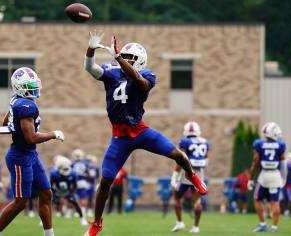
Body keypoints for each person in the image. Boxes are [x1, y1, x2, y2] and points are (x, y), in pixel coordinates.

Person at [83, 30, 207, 236]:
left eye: (130, 58)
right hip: (119, 137)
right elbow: (90, 68)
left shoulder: (148, 75)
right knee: (105, 181)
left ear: (139, 61)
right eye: (125, 57)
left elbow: (140, 82)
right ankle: (96, 223)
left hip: (140, 130)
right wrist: (90, 49)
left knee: (178, 155)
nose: (126, 61)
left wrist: (119, 58)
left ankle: (192, 176)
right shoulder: (113, 72)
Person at [0, 67, 65, 236]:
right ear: (20, 87)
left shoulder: (17, 100)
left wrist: (12, 123)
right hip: (20, 157)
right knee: (21, 202)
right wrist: (53, 134)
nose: (34, 88)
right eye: (30, 85)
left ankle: (49, 235)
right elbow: (31, 138)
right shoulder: (26, 105)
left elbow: (6, 121)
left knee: (46, 193)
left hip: (30, 155)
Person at [170, 122, 209, 233]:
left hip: (186, 172)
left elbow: (182, 159)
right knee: (197, 201)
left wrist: (174, 176)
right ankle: (196, 227)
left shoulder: (185, 142)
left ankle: (180, 222)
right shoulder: (205, 142)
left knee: (177, 197)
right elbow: (206, 158)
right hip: (199, 173)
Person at [248, 122, 286, 233]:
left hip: (264, 175)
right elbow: (283, 163)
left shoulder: (259, 144)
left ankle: (263, 224)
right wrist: (283, 177)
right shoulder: (280, 145)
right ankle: (274, 227)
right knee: (275, 202)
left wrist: (251, 178)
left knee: (257, 199)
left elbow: (255, 162)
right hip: (275, 175)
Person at [51, 155, 88, 226]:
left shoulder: (73, 173)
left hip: (68, 190)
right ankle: (43, 221)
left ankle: (83, 219)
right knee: (49, 203)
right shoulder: (54, 173)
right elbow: (51, 185)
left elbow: (75, 186)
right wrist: (54, 193)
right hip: (58, 190)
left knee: (75, 203)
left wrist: (71, 193)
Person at [71, 149, 90, 215]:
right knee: (82, 197)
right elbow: (88, 173)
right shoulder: (85, 163)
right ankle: (83, 211)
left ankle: (79, 211)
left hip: (75, 181)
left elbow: (71, 173)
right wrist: (88, 181)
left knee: (76, 197)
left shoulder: (73, 163)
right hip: (83, 181)